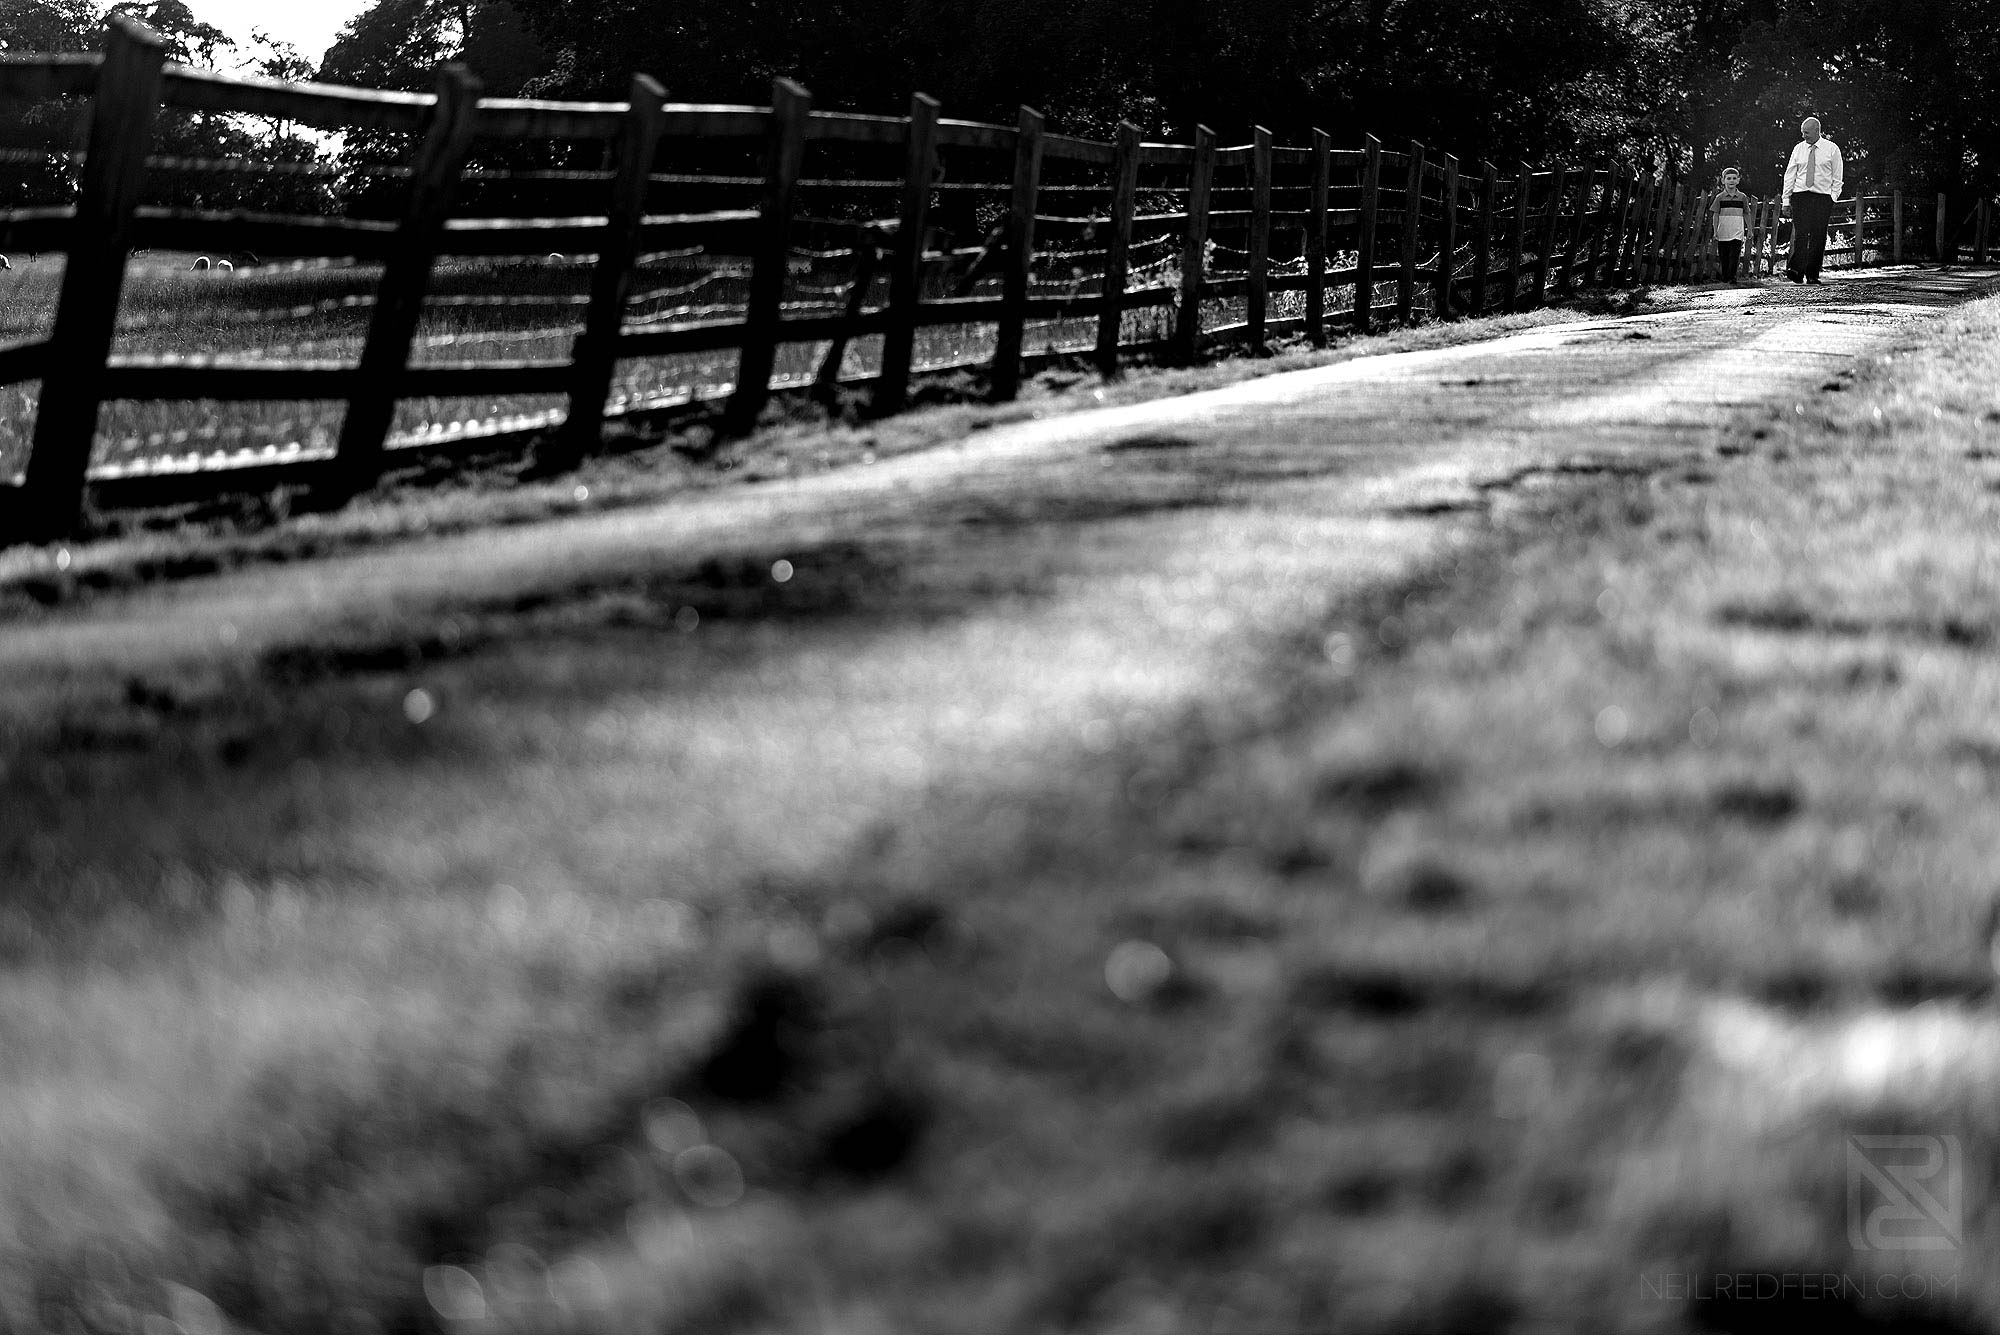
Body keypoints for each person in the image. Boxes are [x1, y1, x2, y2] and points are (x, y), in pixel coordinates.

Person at [1782, 117, 1843, 284]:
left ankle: (1812, 274)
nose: (1804, 136)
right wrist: (1786, 200)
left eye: (1807, 133)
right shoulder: (1798, 149)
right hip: (1801, 195)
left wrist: (1833, 197)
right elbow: (1790, 174)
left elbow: (1837, 177)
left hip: (1822, 197)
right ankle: (1796, 270)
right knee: (1801, 234)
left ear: (1817, 131)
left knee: (1818, 236)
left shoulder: (1832, 149)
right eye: (1802, 133)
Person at [1710, 167, 1757, 283]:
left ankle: (1732, 277)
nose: (1731, 181)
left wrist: (1749, 230)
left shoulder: (1742, 197)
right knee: (1724, 255)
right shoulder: (1719, 198)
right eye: (1728, 178)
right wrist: (1715, 231)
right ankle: (1725, 277)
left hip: (1737, 231)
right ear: (1723, 180)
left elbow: (1746, 213)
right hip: (1723, 231)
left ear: (1738, 180)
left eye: (1734, 178)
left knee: (1734, 255)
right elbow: (1715, 215)